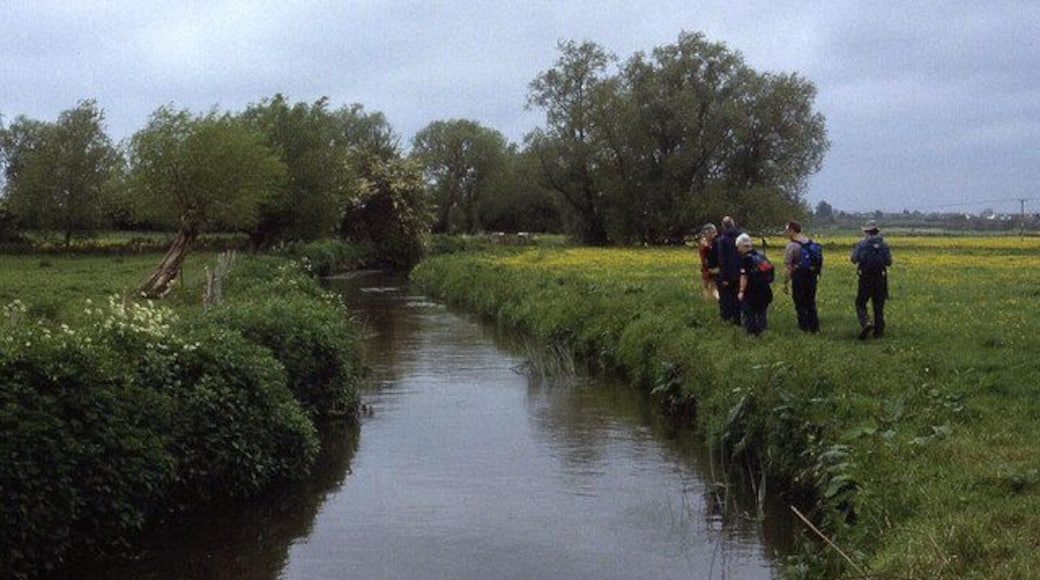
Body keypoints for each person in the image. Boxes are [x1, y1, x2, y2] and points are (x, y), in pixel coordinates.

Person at [850, 219, 892, 339]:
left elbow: (854, 259)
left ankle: (866, 322)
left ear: (867, 232)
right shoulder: (884, 244)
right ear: (876, 231)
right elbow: (889, 262)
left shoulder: (862, 244)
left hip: (865, 277)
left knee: (860, 303)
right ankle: (878, 332)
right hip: (880, 278)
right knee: (878, 305)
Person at [782, 221, 820, 332]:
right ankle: (814, 327)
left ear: (792, 230)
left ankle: (803, 327)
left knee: (799, 302)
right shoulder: (810, 242)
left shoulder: (792, 245)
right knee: (810, 301)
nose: (786, 233)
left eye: (787, 230)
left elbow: (788, 266)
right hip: (811, 275)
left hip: (799, 276)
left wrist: (785, 283)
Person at [736, 233, 774, 336]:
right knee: (762, 312)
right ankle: (763, 331)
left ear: (743, 246)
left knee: (749, 312)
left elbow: (744, 276)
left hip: (751, 290)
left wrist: (741, 291)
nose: (738, 249)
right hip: (764, 289)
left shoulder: (745, 259)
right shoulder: (761, 255)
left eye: (738, 246)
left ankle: (752, 333)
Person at [713, 216, 743, 325]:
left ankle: (727, 318)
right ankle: (738, 318)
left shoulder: (722, 240)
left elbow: (722, 260)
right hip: (741, 273)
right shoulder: (742, 237)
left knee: (726, 297)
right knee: (738, 296)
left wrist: (724, 277)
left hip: (728, 274)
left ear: (723, 226)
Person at [697, 223, 719, 300]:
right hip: (706, 265)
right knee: (706, 284)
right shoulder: (703, 243)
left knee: (713, 284)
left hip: (713, 265)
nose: (713, 234)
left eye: (713, 232)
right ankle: (707, 299)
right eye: (710, 232)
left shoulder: (715, 242)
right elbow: (703, 256)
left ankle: (714, 298)